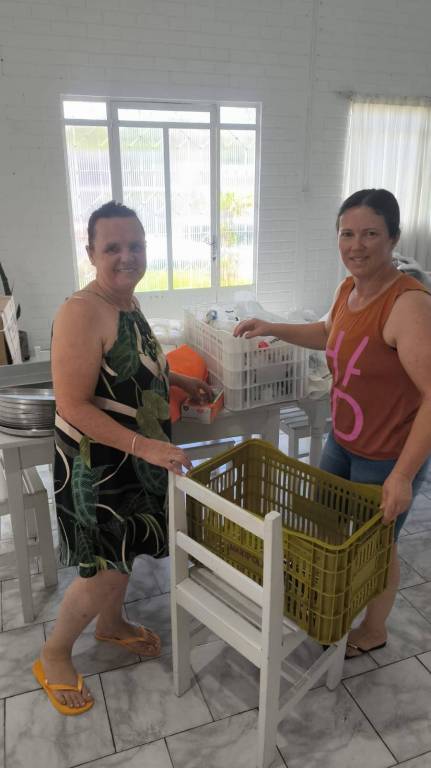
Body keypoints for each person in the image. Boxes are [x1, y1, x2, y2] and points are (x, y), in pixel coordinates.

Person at [234, 188, 431, 658]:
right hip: (343, 441)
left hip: (386, 455)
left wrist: (402, 475)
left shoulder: (408, 304)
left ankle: (374, 628)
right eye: (347, 234)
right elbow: (327, 333)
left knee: (375, 549)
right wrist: (272, 327)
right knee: (325, 526)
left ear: (393, 238)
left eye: (370, 234)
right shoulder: (349, 289)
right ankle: (329, 604)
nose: (356, 245)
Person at [33, 201, 211, 715]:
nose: (126, 256)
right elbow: (72, 404)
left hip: (132, 458)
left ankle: (110, 625)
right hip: (99, 465)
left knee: (125, 552)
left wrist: (180, 379)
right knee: (104, 571)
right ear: (91, 253)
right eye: (112, 247)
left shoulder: (126, 302)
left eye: (135, 245)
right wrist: (147, 447)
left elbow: (130, 369)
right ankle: (54, 653)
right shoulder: (81, 311)